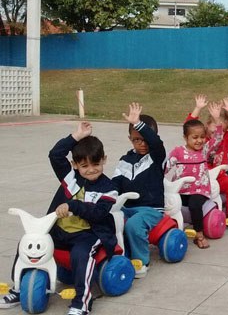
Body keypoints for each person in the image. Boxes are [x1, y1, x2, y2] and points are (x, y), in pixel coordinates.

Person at [0, 122, 118, 315]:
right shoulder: (69, 177)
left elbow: (98, 213)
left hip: (89, 233)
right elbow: (55, 154)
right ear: (75, 165)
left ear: (104, 160)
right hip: (60, 231)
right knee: (29, 241)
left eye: (96, 164)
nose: (90, 170)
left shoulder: (108, 188)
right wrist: (76, 136)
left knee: (82, 254)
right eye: (84, 165)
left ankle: (82, 302)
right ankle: (19, 288)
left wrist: (72, 205)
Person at [111, 103, 166, 278]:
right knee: (109, 220)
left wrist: (138, 124)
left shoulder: (156, 157)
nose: (142, 144)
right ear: (130, 139)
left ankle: (141, 261)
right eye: (136, 139)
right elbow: (115, 183)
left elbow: (156, 144)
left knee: (134, 225)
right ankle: (117, 254)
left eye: (145, 139)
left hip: (150, 209)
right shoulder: (124, 160)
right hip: (127, 207)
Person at [185, 95, 228, 231]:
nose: (216, 135)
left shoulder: (226, 141)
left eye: (221, 132)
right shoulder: (200, 140)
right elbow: (188, 127)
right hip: (199, 176)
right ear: (206, 127)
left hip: (218, 176)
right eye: (213, 131)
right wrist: (198, 108)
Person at [167, 108, 223, 249]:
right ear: (186, 138)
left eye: (202, 137)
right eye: (195, 137)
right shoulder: (178, 152)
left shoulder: (204, 150)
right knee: (167, 203)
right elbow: (166, 166)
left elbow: (218, 137)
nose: (199, 141)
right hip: (180, 189)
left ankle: (199, 234)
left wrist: (217, 121)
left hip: (199, 190)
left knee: (194, 205)